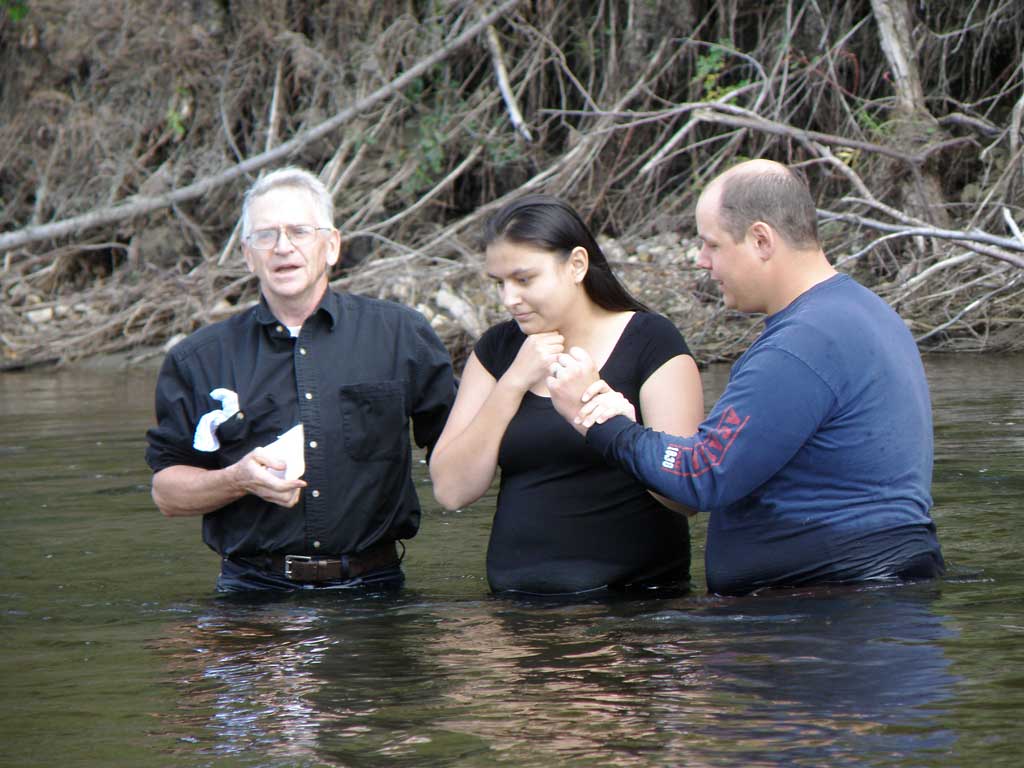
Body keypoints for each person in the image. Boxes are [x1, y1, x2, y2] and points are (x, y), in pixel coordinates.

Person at [548, 159, 945, 596]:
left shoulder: (801, 344)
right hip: (869, 598)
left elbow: (703, 473)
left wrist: (600, 421)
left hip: (827, 617)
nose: (701, 261)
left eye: (712, 245)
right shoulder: (864, 312)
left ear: (760, 239)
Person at [145, 167, 455, 592]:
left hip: (375, 594)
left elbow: (459, 447)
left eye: (299, 231)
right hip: (252, 597)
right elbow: (166, 493)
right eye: (266, 235)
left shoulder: (401, 336)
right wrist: (236, 479)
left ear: (331, 246)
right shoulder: (197, 359)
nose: (283, 247)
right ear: (247, 254)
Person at [428, 194, 704, 596]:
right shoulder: (498, 351)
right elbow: (451, 492)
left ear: (576, 264)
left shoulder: (651, 342)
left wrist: (617, 426)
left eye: (524, 280)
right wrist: (513, 383)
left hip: (631, 612)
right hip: (516, 617)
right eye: (499, 283)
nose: (508, 299)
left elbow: (688, 493)